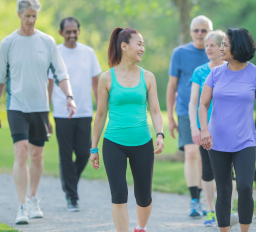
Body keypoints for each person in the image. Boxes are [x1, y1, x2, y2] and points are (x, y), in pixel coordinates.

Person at [0, 0, 76, 225]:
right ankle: (21, 206)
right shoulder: (8, 43)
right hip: (16, 107)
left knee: (37, 156)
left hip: (40, 108)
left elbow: (61, 73)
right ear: (19, 14)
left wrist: (69, 96)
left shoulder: (47, 41)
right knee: (21, 152)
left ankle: (32, 198)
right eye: (27, 16)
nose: (30, 20)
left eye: (34, 16)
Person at [89, 27, 164, 232]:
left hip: (143, 142)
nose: (142, 48)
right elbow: (100, 115)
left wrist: (160, 134)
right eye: (139, 44)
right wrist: (94, 148)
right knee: (119, 194)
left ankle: (140, 227)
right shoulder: (106, 78)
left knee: (144, 196)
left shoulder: (148, 77)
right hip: (114, 143)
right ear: (124, 46)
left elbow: (156, 111)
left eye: (143, 44)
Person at [199, 28, 256, 232]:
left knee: (246, 188)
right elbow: (203, 105)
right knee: (223, 190)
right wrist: (204, 130)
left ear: (237, 48)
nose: (221, 48)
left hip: (245, 141)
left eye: (225, 45)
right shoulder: (216, 73)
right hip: (216, 141)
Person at [48, 17, 102, 212]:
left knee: (83, 152)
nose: (72, 35)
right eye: (68, 32)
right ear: (61, 33)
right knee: (65, 155)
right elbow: (50, 84)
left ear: (79, 31)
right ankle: (72, 196)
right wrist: (47, 113)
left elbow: (96, 82)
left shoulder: (88, 53)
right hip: (62, 113)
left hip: (85, 111)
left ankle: (68, 181)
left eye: (75, 31)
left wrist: (100, 108)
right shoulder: (55, 53)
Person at [189, 30, 238, 227]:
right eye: (206, 45)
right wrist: (195, 126)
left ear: (222, 47)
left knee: (229, 172)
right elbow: (193, 103)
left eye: (212, 45)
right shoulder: (200, 72)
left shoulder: (233, 69)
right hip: (206, 130)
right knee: (208, 171)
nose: (207, 48)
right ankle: (210, 211)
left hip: (228, 130)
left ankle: (228, 208)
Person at [167, 15, 212, 218]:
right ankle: (194, 200)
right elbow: (172, 86)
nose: (200, 34)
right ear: (191, 31)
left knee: (205, 156)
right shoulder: (180, 53)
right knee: (192, 153)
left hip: (212, 112)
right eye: (196, 30)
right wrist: (170, 116)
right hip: (186, 110)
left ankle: (204, 198)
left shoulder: (216, 52)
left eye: (204, 30)